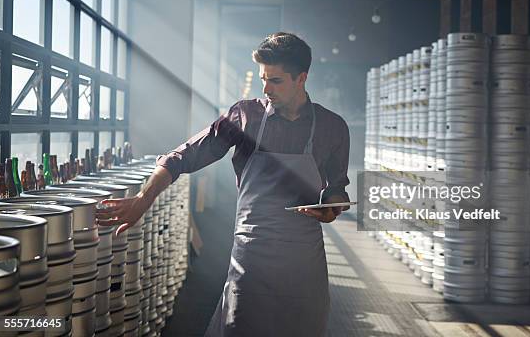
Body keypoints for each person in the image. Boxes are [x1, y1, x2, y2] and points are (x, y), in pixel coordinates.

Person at [96, 32, 351, 337]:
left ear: (302, 78)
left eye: (276, 81)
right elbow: (184, 156)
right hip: (252, 253)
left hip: (303, 259)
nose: (266, 89)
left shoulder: (332, 128)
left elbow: (337, 187)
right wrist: (143, 198)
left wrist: (332, 208)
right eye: (263, 79)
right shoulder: (245, 116)